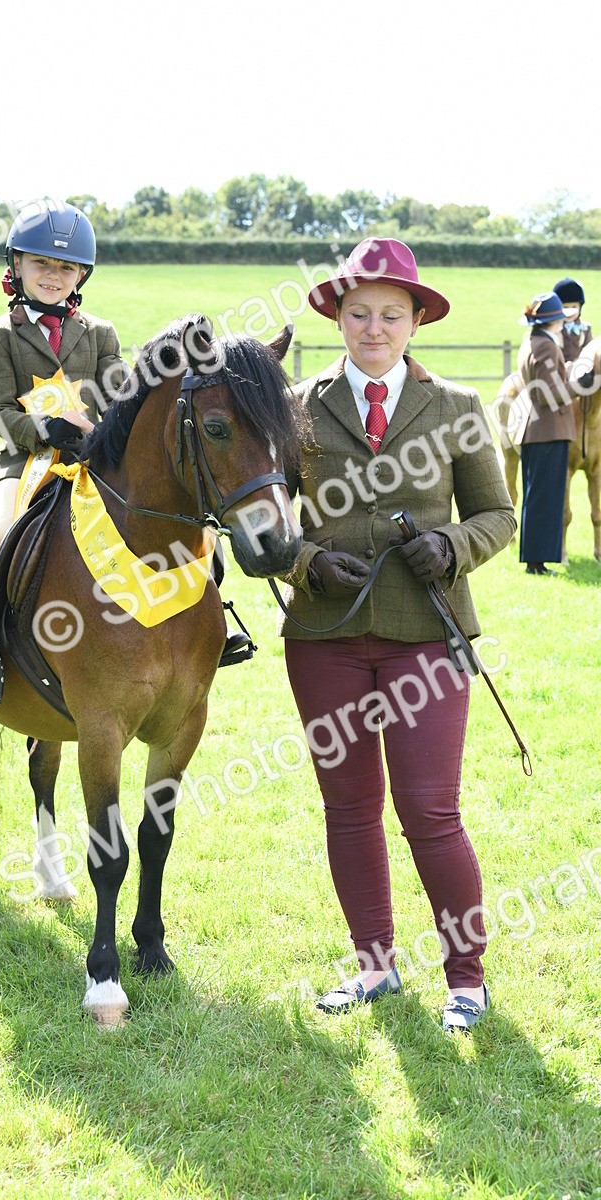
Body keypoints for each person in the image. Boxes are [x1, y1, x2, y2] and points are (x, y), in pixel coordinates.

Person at [280, 238, 516, 1032]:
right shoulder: (295, 407)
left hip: (427, 638)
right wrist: (307, 561)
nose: (373, 328)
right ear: (338, 319)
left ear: (416, 320)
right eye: (358, 314)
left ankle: (466, 978)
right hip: (324, 638)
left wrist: (452, 545)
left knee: (430, 812)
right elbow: (263, 524)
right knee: (348, 807)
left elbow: (499, 515)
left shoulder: (457, 407)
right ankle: (374, 967)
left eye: (389, 314)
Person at [0, 202, 128, 698]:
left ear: (81, 274)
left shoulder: (101, 333)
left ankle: (213, 619)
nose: (52, 275)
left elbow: (120, 396)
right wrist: (44, 429)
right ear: (17, 265)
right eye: (41, 263)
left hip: (91, 461)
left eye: (65, 267)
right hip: (25, 464)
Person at [515, 291, 577, 576]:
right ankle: (536, 563)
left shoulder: (530, 342)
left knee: (537, 497)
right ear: (554, 321)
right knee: (545, 499)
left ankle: (535, 560)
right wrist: (580, 384)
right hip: (549, 430)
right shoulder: (548, 347)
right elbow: (549, 395)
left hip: (535, 429)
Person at [552, 276, 592, 364]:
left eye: (574, 307)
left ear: (580, 307)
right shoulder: (553, 328)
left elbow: (590, 352)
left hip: (579, 369)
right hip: (557, 369)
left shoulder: (585, 328)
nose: (570, 312)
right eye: (565, 307)